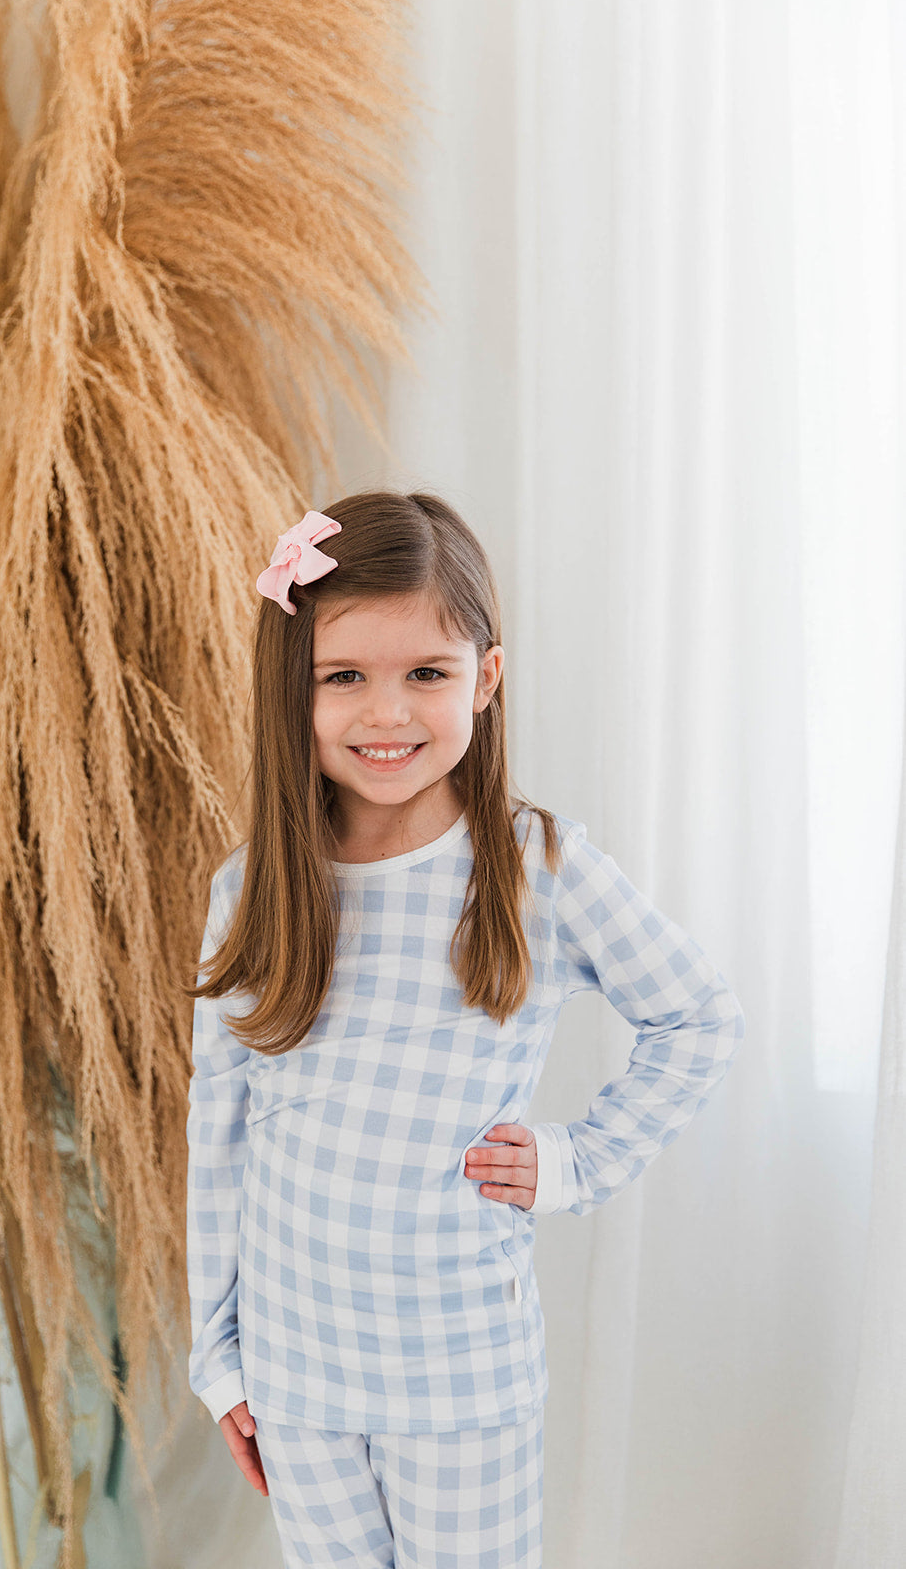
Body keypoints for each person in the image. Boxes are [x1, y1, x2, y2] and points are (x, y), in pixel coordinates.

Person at [185, 490, 744, 1569]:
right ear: (288, 688)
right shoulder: (251, 889)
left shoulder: (539, 868)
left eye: (424, 675)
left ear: (484, 679)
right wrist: (221, 1358)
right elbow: (219, 1133)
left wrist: (573, 1157)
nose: (384, 713)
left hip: (458, 1378)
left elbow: (695, 1018)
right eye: (342, 676)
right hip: (296, 1382)